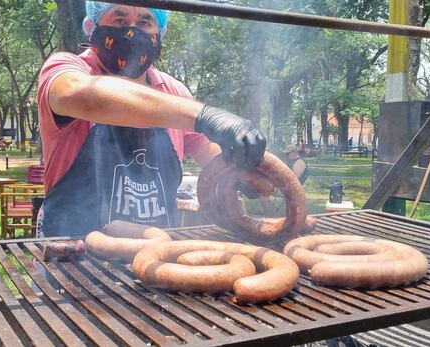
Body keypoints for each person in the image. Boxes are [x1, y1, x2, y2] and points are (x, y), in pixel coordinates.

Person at [37, 2, 265, 238]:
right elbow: (74, 93)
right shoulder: (67, 68)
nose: (132, 31)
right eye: (119, 19)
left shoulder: (174, 91)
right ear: (92, 26)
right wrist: (204, 115)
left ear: (160, 33)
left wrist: (242, 169)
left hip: (157, 257)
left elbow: (209, 152)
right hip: (71, 258)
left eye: (145, 22)